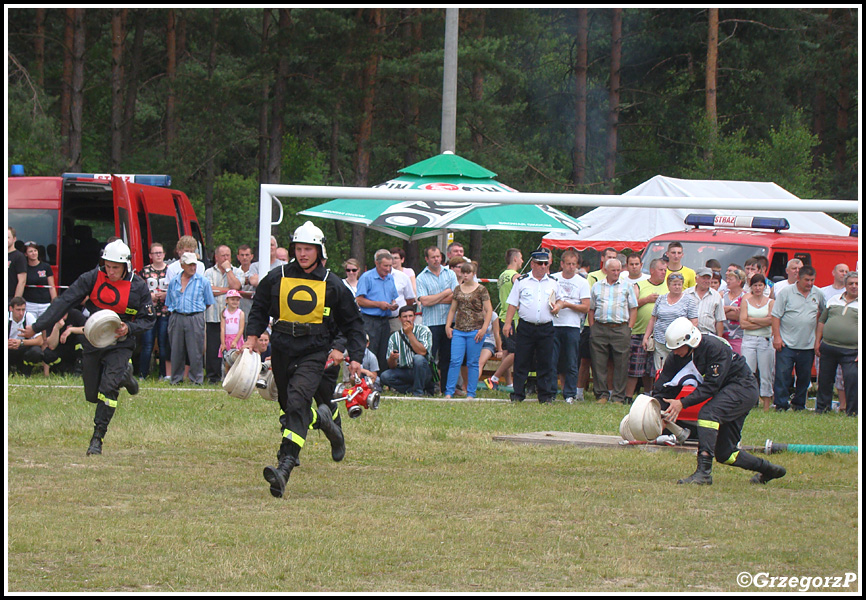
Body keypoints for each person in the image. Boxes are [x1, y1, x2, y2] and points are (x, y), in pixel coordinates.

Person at [244, 221, 365, 499]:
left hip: (314, 350)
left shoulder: (332, 283)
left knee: (298, 403)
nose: (303, 254)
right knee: (289, 410)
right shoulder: (278, 276)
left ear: (319, 250)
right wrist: (252, 337)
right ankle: (325, 421)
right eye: (298, 248)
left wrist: (353, 355)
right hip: (282, 347)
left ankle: (284, 468)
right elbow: (260, 307)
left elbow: (353, 323)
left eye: (308, 249)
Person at [22, 240, 152, 455]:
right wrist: (37, 326)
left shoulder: (138, 287)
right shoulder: (92, 277)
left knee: (108, 389)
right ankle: (125, 377)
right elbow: (64, 302)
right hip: (93, 340)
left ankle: (97, 438)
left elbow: (148, 320)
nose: (110, 272)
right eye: (107, 266)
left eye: (115, 268)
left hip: (120, 344)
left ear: (126, 266)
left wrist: (128, 327)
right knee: (92, 395)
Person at [654, 317, 787, 486]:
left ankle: (703, 474)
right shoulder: (675, 358)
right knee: (725, 454)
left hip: (743, 388)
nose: (675, 352)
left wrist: (682, 403)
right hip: (725, 392)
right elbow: (664, 387)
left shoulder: (714, 348)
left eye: (678, 348)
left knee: (708, 414)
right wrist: (658, 412)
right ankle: (769, 470)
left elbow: (711, 386)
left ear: (690, 341)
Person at [503, 251, 561, 403]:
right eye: (540, 263)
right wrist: (508, 323)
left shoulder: (553, 282)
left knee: (546, 362)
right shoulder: (522, 281)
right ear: (532, 264)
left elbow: (560, 300)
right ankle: (518, 394)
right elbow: (513, 303)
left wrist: (558, 307)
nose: (543, 267)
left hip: (546, 326)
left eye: (545, 264)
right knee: (522, 361)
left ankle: (545, 396)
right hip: (526, 326)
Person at [771, 265, 825, 411]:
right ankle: (781, 404)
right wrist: (777, 337)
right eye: (807, 280)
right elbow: (776, 315)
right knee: (783, 376)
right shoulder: (786, 292)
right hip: (786, 343)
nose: (810, 283)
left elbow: (824, 315)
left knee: (804, 377)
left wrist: (818, 340)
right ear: (798, 278)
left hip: (807, 344)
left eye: (812, 280)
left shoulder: (818, 293)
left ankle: (799, 404)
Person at [588, 258, 638, 404]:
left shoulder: (627, 286)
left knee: (621, 364)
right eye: (613, 270)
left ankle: (618, 396)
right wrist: (592, 327)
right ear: (606, 270)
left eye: (618, 270)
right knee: (598, 363)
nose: (616, 273)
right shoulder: (597, 286)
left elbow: (633, 308)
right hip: (600, 327)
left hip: (620, 328)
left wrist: (629, 328)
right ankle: (601, 395)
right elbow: (591, 309)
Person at [444, 262, 493, 399]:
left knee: (472, 362)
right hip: (459, 330)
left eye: (468, 272)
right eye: (463, 272)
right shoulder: (458, 289)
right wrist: (448, 326)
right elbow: (453, 309)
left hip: (475, 330)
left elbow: (489, 310)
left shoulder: (481, 290)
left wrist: (484, 329)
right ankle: (449, 391)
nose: (465, 275)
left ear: (474, 274)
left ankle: (471, 393)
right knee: (455, 361)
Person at [165, 252, 215, 385]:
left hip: (195, 317)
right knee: (176, 350)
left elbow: (208, 301)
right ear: (182, 265)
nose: (193, 267)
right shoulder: (174, 281)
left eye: (194, 264)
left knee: (196, 351)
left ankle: (196, 379)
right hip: (176, 316)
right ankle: (175, 379)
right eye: (190, 265)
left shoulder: (203, 281)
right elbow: (169, 301)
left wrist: (196, 311)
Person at [416, 246, 459, 394]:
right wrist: (446, 293)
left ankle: (447, 389)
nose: (436, 259)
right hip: (431, 324)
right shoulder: (421, 277)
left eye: (438, 256)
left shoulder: (450, 274)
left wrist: (434, 298)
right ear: (427, 259)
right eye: (433, 257)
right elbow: (425, 302)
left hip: (449, 322)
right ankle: (430, 388)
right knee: (430, 358)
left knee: (447, 358)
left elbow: (456, 297)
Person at [550, 250, 590, 403]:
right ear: (562, 264)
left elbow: (586, 307)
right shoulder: (553, 279)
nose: (571, 267)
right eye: (568, 264)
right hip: (554, 324)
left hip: (572, 326)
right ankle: (551, 392)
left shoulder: (582, 282)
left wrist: (567, 304)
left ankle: (569, 394)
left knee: (571, 361)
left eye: (574, 264)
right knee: (552, 360)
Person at [815, 271, 857, 416]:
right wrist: (817, 342)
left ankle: (853, 411)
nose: (854, 286)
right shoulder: (833, 299)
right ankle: (822, 409)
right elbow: (822, 321)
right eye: (851, 283)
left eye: (857, 284)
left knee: (852, 380)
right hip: (828, 346)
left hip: (852, 350)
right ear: (845, 285)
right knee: (824, 379)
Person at [626, 258, 668, 401]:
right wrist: (647, 300)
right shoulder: (640, 286)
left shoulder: (667, 287)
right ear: (652, 270)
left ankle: (649, 395)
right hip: (639, 331)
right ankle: (628, 396)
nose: (664, 272)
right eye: (661, 269)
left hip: (660, 334)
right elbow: (631, 304)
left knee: (652, 369)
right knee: (635, 366)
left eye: (665, 270)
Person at [642, 272, 697, 375]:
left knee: (678, 371)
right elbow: (653, 319)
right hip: (661, 341)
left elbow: (694, 322)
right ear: (668, 286)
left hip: (680, 343)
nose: (677, 287)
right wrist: (646, 336)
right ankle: (660, 389)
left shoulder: (689, 300)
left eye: (679, 284)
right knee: (661, 370)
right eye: (674, 284)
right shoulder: (661, 299)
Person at [484, 248, 523, 392]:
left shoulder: (502, 276)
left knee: (506, 352)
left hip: (502, 315)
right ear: (515, 259)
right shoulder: (516, 276)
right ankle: (493, 378)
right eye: (521, 258)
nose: (522, 261)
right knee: (516, 352)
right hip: (513, 317)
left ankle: (508, 383)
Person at [203, 244, 243, 384]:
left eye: (228, 255)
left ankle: (233, 377)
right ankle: (213, 377)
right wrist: (228, 290)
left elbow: (236, 286)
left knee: (234, 348)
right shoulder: (208, 272)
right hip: (214, 317)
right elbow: (209, 290)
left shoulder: (237, 272)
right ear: (216, 257)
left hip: (233, 320)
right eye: (223, 255)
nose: (226, 258)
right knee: (213, 348)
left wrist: (228, 270)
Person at [355, 249, 399, 372]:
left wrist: (393, 305)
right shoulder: (367, 277)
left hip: (385, 320)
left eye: (390, 266)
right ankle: (368, 378)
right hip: (370, 320)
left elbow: (393, 298)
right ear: (377, 264)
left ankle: (382, 379)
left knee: (384, 350)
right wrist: (378, 304)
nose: (388, 269)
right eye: (385, 266)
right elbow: (359, 300)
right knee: (371, 349)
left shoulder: (390, 278)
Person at [380, 304, 433, 397]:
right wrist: (392, 358)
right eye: (405, 317)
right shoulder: (394, 337)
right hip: (404, 371)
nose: (408, 319)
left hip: (423, 370)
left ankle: (418, 392)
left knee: (418, 359)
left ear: (414, 317)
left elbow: (422, 352)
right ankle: (410, 390)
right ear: (400, 318)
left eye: (410, 316)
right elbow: (391, 366)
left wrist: (409, 334)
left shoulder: (424, 330)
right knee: (385, 376)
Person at [739, 274, 775, 411]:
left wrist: (752, 319)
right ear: (751, 287)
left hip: (765, 340)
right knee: (748, 372)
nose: (758, 288)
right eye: (755, 285)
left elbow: (771, 320)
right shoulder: (746, 301)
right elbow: (743, 323)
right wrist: (762, 322)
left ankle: (766, 404)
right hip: (749, 340)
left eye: (760, 285)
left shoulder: (770, 302)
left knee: (766, 372)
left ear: (764, 287)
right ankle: (748, 402)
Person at [138, 242, 170, 379]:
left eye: (160, 253)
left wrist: (165, 295)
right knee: (147, 344)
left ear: (164, 254)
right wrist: (149, 296)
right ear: (150, 255)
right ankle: (142, 374)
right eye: (155, 253)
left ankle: (163, 373)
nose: (158, 255)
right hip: (149, 313)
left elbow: (176, 289)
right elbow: (139, 290)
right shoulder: (145, 271)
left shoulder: (170, 271)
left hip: (165, 312)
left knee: (163, 344)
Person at [8, 296, 45, 375]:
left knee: (36, 351)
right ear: (11, 309)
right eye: (18, 310)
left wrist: (21, 342)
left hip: (23, 348)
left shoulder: (29, 317)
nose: (21, 313)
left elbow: (40, 340)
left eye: (23, 310)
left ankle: (26, 370)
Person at [684, 267, 725, 337]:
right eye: (703, 278)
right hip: (688, 334)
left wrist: (719, 338)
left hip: (708, 334)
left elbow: (719, 320)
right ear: (696, 279)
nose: (706, 281)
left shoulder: (716, 296)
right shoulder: (686, 294)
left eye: (708, 278)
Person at [22, 240, 57, 319]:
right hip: (30, 304)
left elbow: (52, 286)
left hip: (45, 304)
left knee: (45, 329)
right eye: (30, 251)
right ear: (25, 254)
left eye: (35, 250)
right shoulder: (24, 268)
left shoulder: (46, 266)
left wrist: (54, 302)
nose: (34, 253)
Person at [721, 268, 746, 354]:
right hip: (721, 336)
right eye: (727, 279)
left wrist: (722, 311)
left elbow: (738, 315)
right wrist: (730, 308)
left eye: (730, 279)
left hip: (738, 337)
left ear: (739, 282)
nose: (727, 281)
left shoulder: (745, 297)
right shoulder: (721, 294)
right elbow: (714, 311)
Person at [220, 289, 245, 366]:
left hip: (237, 339)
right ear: (227, 300)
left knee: (237, 359)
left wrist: (235, 341)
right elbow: (222, 329)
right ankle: (226, 376)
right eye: (232, 299)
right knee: (227, 360)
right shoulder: (224, 313)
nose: (235, 302)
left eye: (237, 300)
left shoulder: (240, 313)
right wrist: (223, 343)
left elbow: (241, 328)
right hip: (227, 339)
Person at [236, 244, 257, 317]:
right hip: (237, 314)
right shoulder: (234, 272)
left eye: (247, 255)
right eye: (242, 255)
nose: (244, 257)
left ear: (251, 256)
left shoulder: (256, 273)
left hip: (252, 312)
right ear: (238, 257)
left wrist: (238, 291)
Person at [8, 227, 27, 301]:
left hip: (10, 298)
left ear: (14, 239)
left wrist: (15, 302)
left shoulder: (19, 256)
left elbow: (22, 281)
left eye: (8, 237)